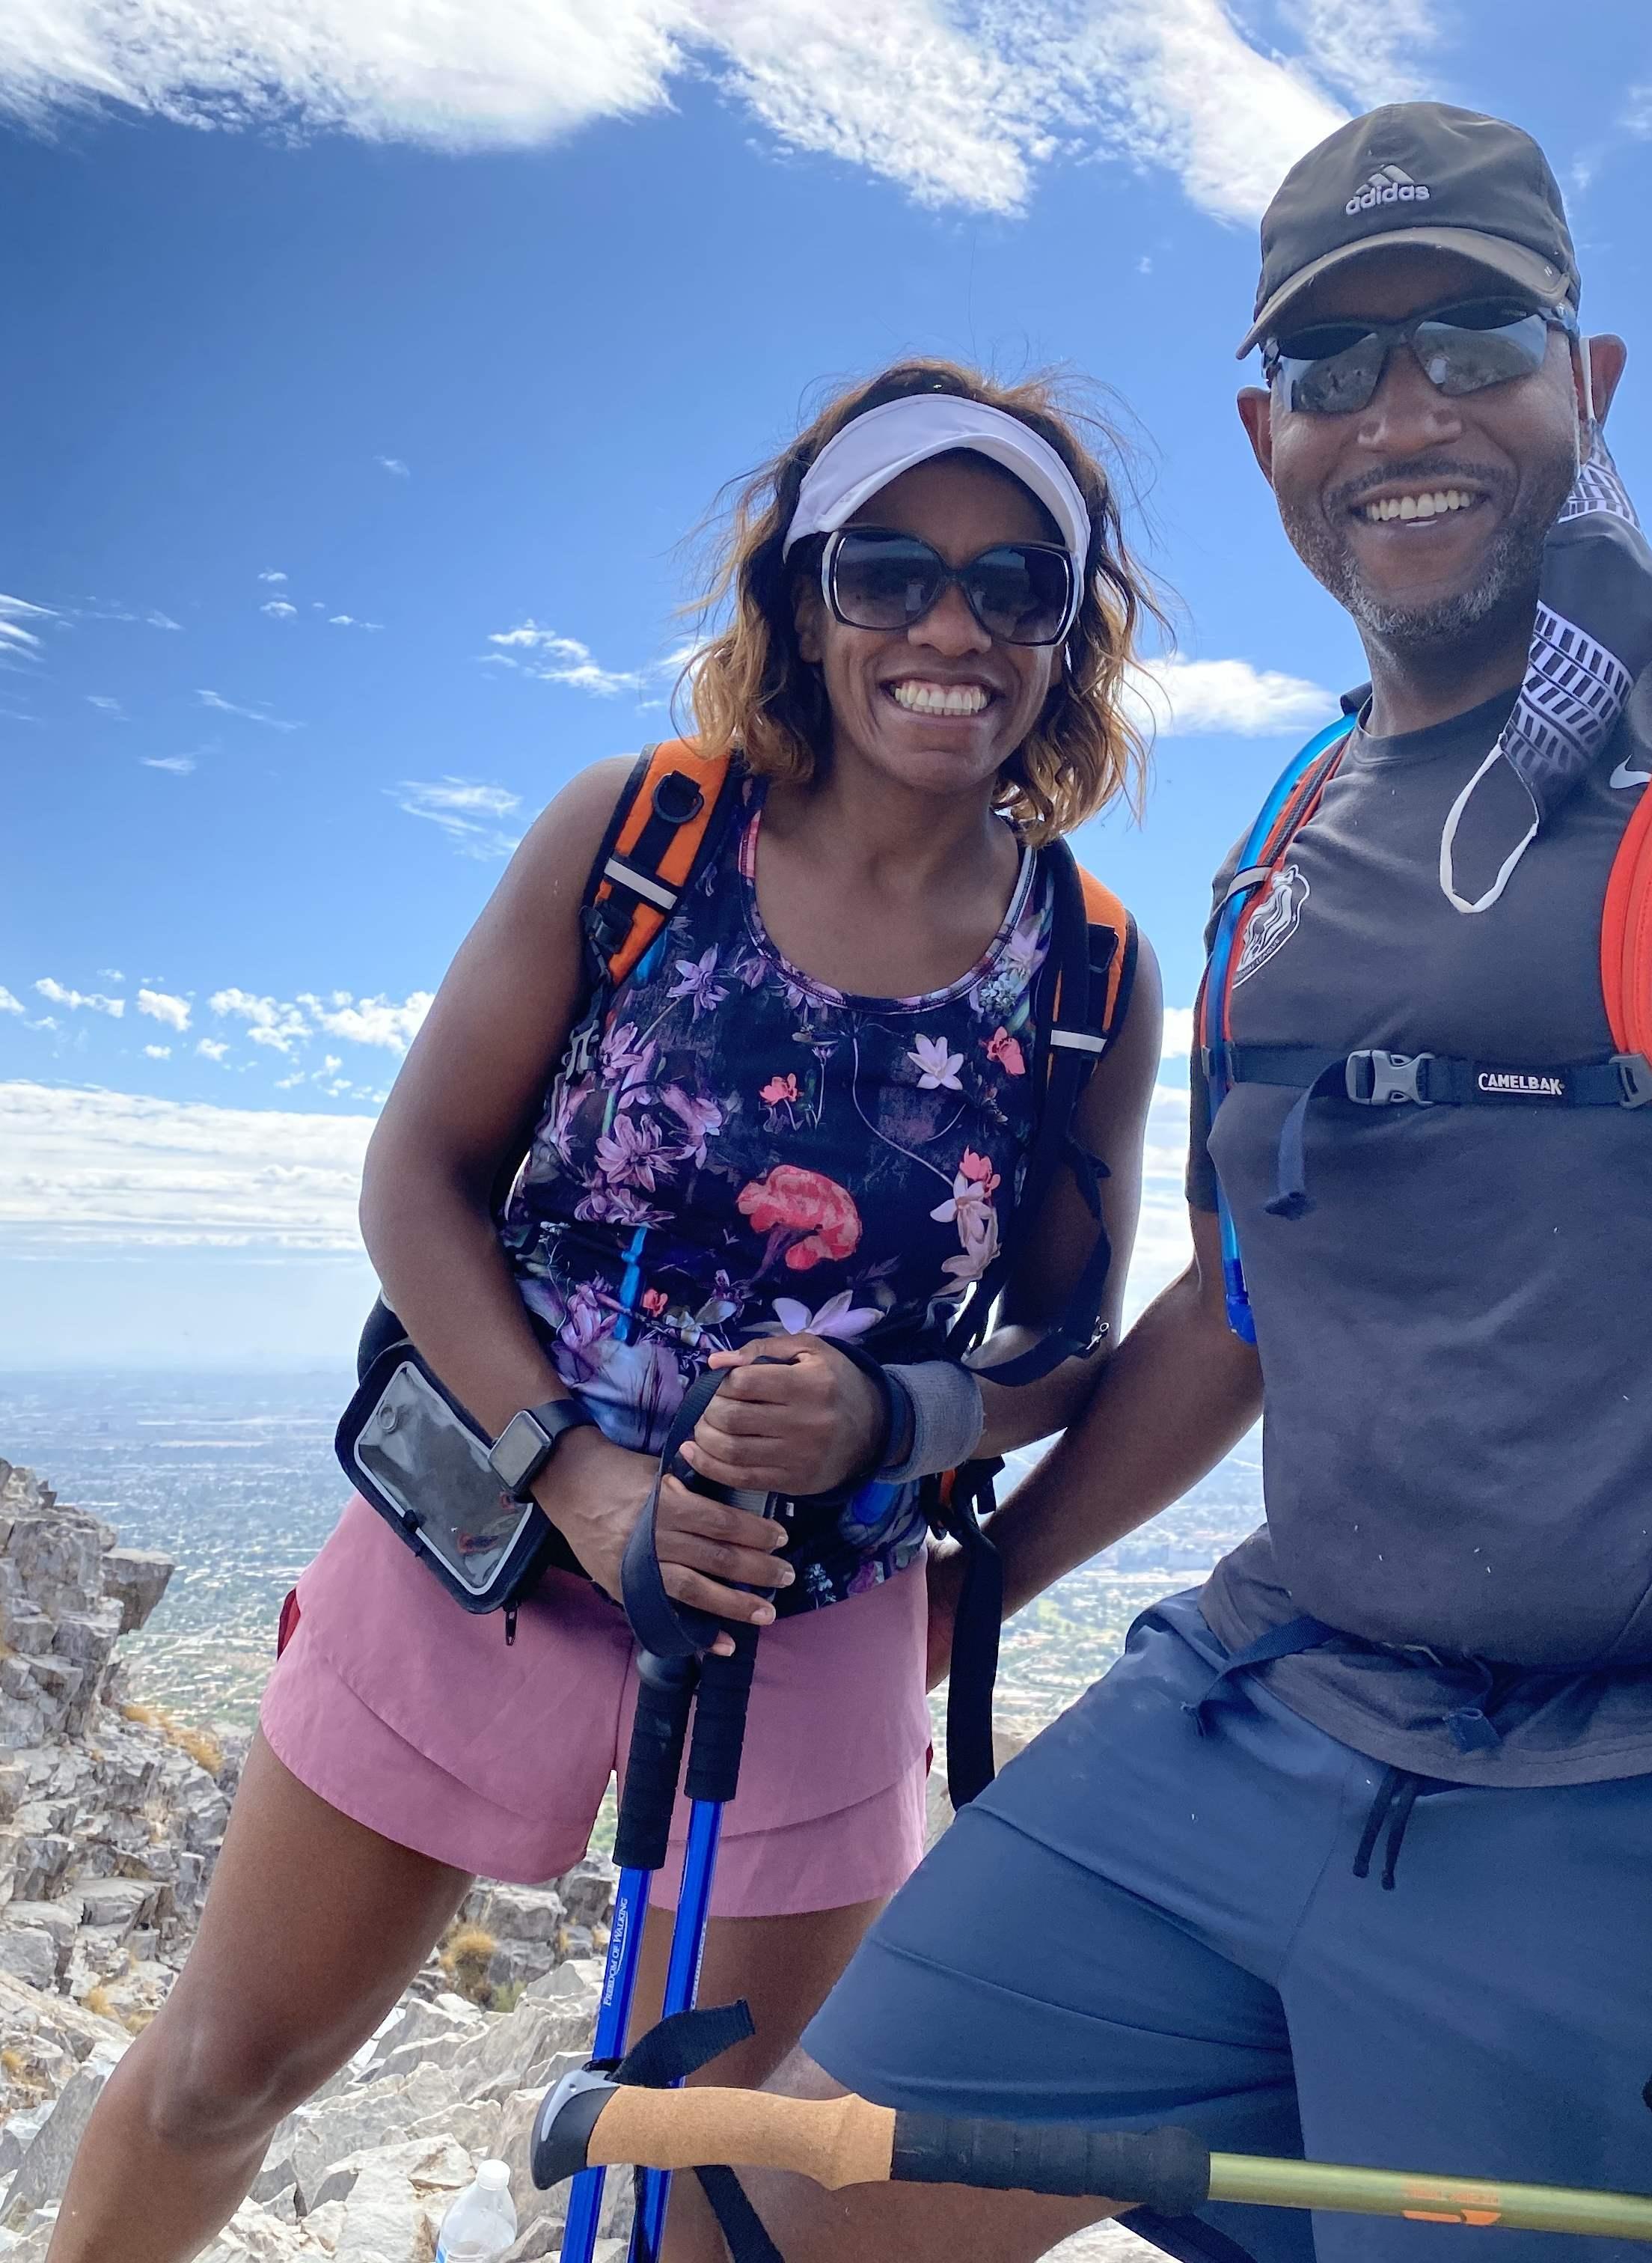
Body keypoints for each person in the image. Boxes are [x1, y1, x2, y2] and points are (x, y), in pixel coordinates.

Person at [764, 104, 1652, 2263]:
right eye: (1335, 367)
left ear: (1587, 382)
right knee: (741, 2211)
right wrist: (987, 1589)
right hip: (1259, 1723)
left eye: (1474, 337)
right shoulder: (1291, 838)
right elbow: (1251, 1309)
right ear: (1267, 437)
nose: (1402, 410)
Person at [49, 358, 1165, 2263]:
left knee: (724, 2194)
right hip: (484, 1541)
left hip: (805, 1623)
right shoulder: (644, 837)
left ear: (1072, 638)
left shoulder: (1089, 971)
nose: (950, 625)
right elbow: (416, 1181)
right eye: (887, 568)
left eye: (1015, 585)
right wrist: (577, 1475)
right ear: (803, 603)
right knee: (230, 2067)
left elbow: (1064, 1342)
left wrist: (897, 1420)